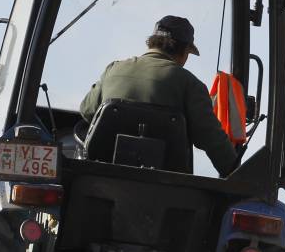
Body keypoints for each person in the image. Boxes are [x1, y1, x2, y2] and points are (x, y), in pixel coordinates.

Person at [79, 16, 239, 176]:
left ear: (152, 42)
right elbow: (211, 138)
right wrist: (237, 174)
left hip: (100, 176)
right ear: (184, 51)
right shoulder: (190, 84)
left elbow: (87, 110)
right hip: (166, 189)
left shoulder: (113, 70)